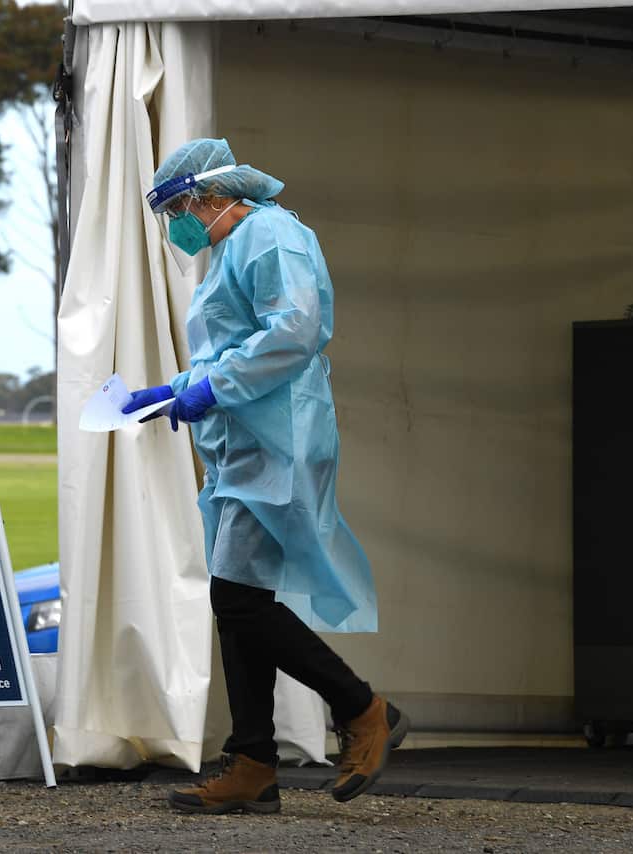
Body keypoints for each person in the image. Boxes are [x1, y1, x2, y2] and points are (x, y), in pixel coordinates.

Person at [124, 138, 408, 814]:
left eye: (177, 212)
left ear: (206, 197)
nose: (178, 227)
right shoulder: (232, 250)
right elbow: (234, 344)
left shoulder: (272, 235)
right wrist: (175, 389)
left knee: (241, 601)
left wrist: (210, 385)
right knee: (236, 598)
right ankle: (253, 761)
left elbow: (294, 330)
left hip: (278, 440)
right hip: (247, 444)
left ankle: (363, 709)